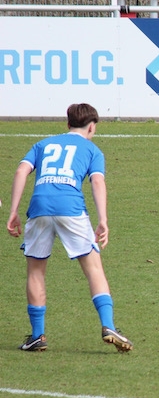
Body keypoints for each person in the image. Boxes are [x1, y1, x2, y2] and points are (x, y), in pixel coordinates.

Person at [7, 102, 133, 353]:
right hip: (71, 208)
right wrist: (103, 219)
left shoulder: (43, 144)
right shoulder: (93, 150)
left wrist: (13, 211)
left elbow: (21, 171)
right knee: (93, 268)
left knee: (35, 272)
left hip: (39, 207)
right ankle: (108, 326)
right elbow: (97, 182)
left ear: (67, 124)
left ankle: (37, 336)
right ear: (92, 127)